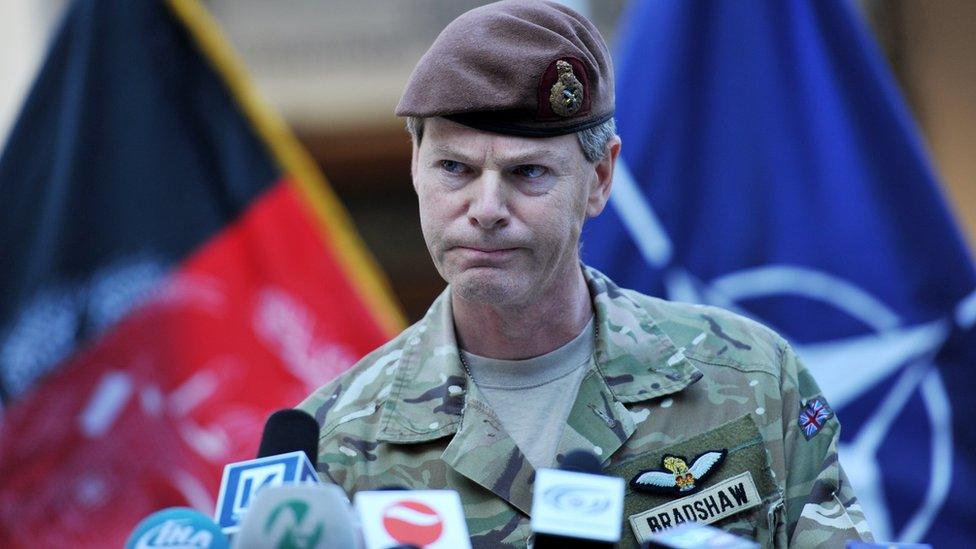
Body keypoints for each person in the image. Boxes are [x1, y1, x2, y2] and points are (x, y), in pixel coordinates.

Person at [299, 1, 873, 547]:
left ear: (599, 179)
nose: (487, 207)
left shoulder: (752, 379)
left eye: (528, 172)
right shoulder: (332, 444)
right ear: (416, 170)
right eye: (455, 168)